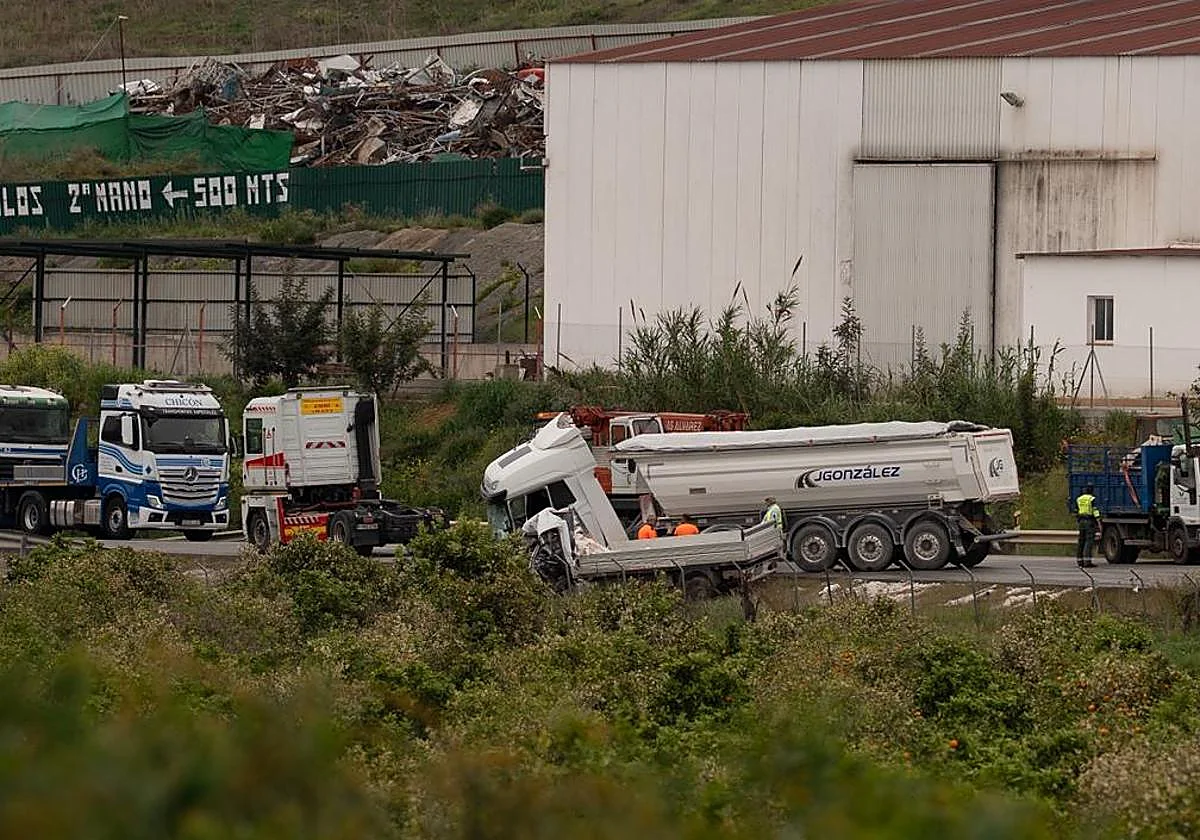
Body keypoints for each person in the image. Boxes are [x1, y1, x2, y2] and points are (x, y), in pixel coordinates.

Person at [1075, 484, 1100, 568]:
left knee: (1081, 541)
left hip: (1081, 521)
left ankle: (1079, 561)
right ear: (1092, 491)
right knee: (1089, 541)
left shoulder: (1079, 499)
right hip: (1089, 521)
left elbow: (1077, 510)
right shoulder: (1092, 499)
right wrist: (1099, 522)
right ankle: (1087, 561)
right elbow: (1095, 511)